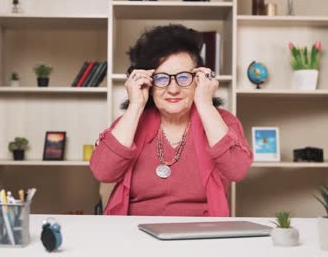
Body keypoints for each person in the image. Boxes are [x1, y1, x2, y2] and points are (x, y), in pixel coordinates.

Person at [90, 24, 253, 217]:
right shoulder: (131, 122)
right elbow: (103, 172)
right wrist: (135, 105)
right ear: (148, 82)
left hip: (200, 236)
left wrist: (205, 104)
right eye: (161, 78)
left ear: (198, 79)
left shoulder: (221, 121)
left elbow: (236, 171)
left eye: (184, 77)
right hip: (134, 234)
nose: (173, 89)